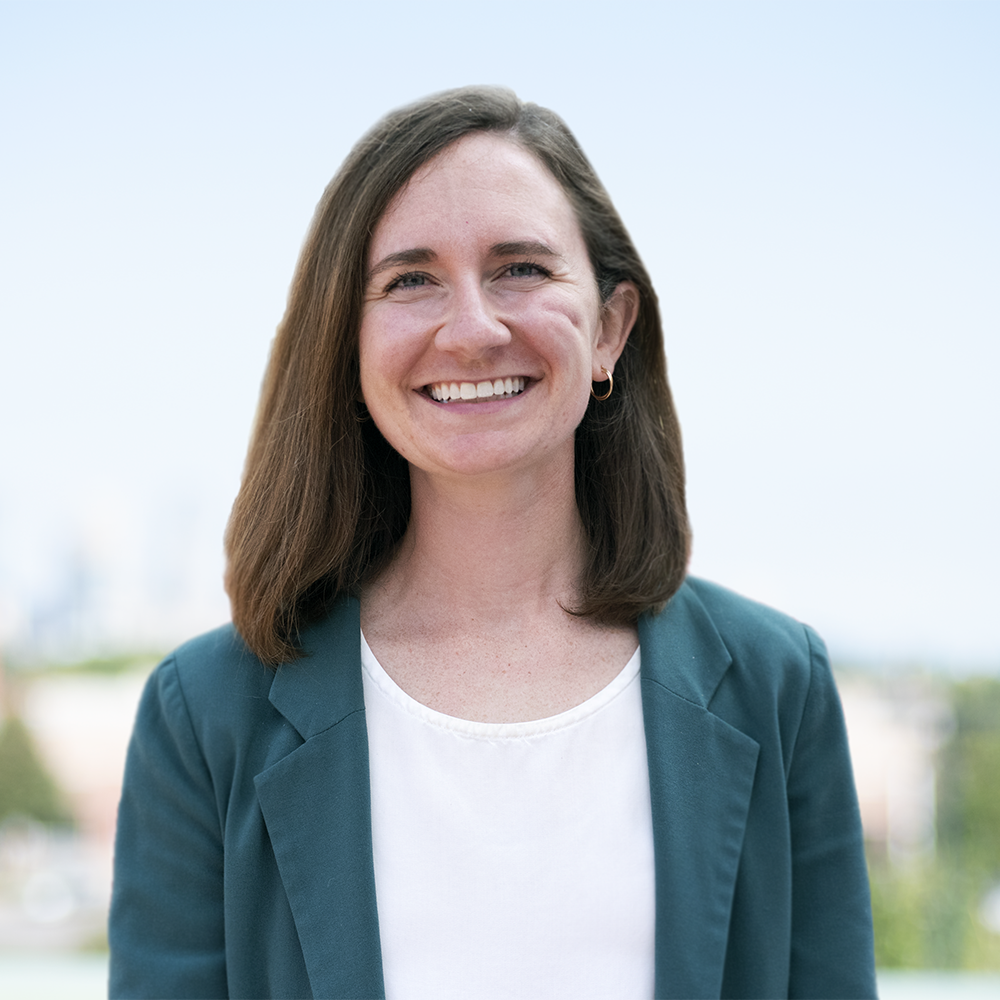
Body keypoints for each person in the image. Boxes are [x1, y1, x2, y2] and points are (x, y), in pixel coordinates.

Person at [109, 86, 878, 999]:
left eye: (520, 268)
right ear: (346, 350)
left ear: (610, 328)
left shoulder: (775, 685)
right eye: (409, 280)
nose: (473, 328)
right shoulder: (206, 715)